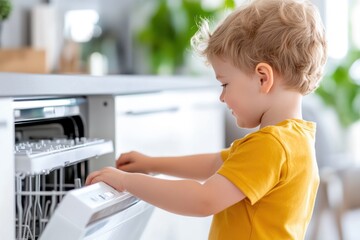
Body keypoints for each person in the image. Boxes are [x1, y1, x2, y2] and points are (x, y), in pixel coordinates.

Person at [85, 0, 327, 239]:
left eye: (225, 83)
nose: (222, 97)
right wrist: (152, 163)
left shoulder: (270, 145)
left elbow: (204, 200)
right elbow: (215, 164)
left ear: (263, 78)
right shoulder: (295, 141)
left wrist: (127, 181)